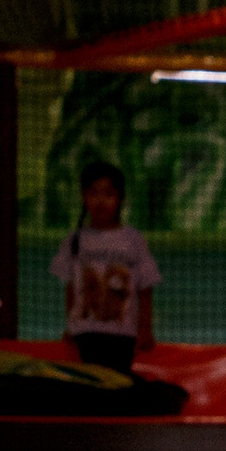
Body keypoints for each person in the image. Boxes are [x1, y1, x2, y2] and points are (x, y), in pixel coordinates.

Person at [50, 156, 160, 373]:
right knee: (92, 383)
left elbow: (145, 289)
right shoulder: (75, 240)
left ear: (120, 199)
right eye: (94, 193)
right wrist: (70, 325)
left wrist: (145, 329)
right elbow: (71, 287)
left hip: (122, 333)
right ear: (83, 197)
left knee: (117, 384)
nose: (101, 201)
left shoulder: (133, 240)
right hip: (86, 332)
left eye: (108, 194)